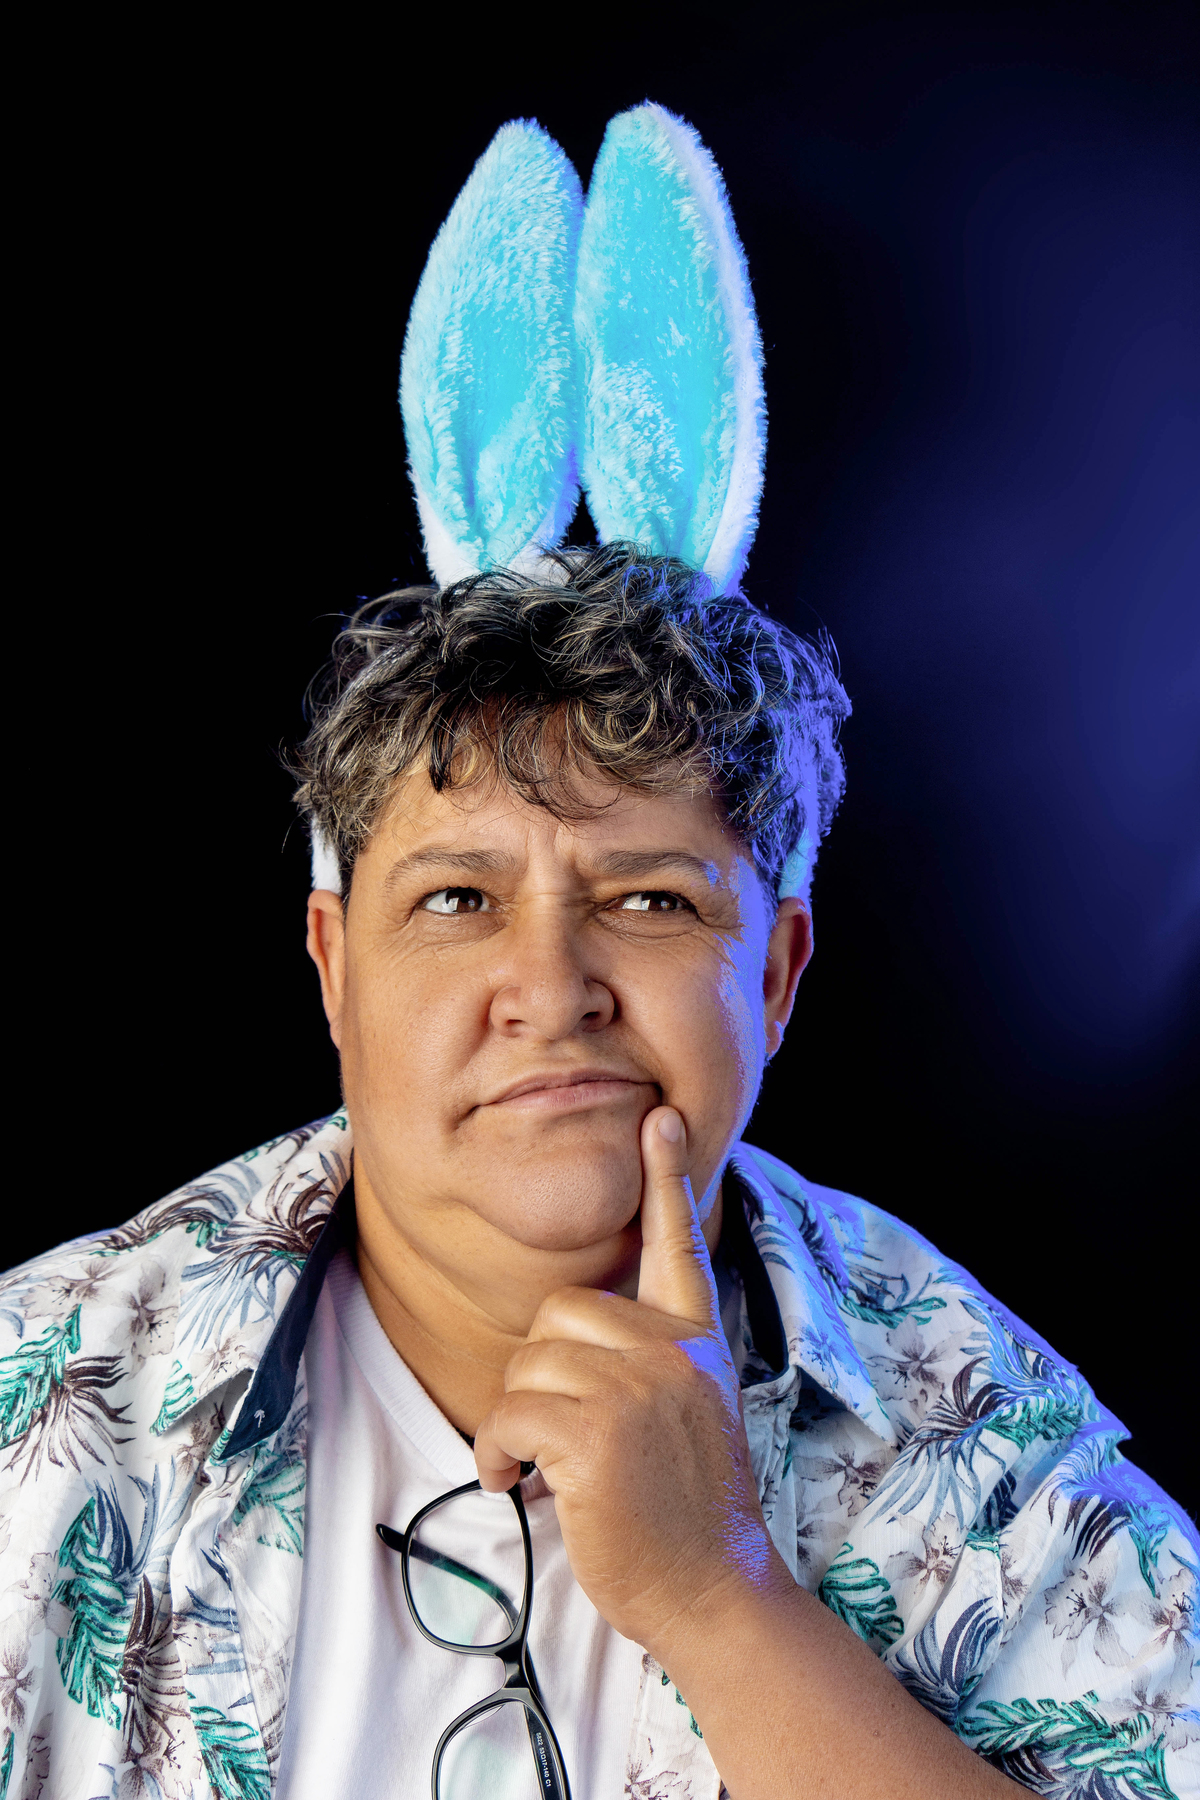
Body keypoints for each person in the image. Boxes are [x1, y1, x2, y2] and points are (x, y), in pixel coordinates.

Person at [2, 110, 1195, 1800]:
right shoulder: (44, 1397)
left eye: (648, 901)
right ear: (333, 968)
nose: (550, 987)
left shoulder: (977, 1431)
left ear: (775, 973)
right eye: (457, 900)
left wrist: (724, 1598)